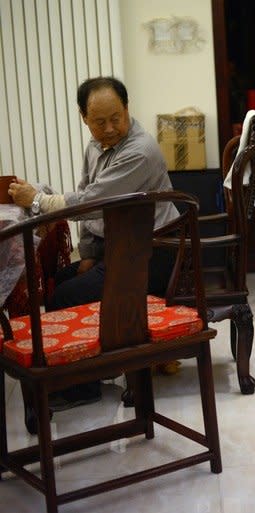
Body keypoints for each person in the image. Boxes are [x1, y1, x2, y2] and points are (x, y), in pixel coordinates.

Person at [8, 76, 179, 407]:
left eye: (116, 117)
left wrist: (37, 200)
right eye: (99, 122)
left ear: (127, 109)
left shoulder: (139, 151)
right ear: (83, 118)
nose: (110, 128)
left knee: (65, 297)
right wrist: (87, 254)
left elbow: (93, 202)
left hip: (152, 255)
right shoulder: (95, 147)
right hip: (119, 248)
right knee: (60, 280)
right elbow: (89, 203)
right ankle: (89, 367)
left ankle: (82, 387)